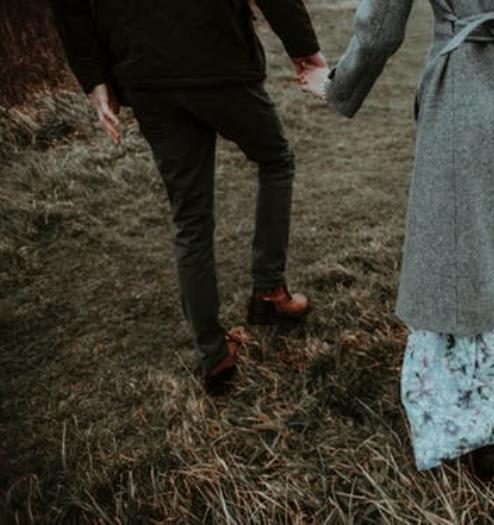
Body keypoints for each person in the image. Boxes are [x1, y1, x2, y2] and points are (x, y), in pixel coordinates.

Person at [302, 0, 494, 479]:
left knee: (462, 259)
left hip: (465, 103)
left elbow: (381, 29)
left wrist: (338, 84)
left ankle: (476, 423)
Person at [51, 0, 327, 394]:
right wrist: (304, 48)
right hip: (217, 55)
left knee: (190, 216)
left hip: (144, 69)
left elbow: (70, 8)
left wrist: (96, 79)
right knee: (275, 160)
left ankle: (214, 355)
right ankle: (269, 290)